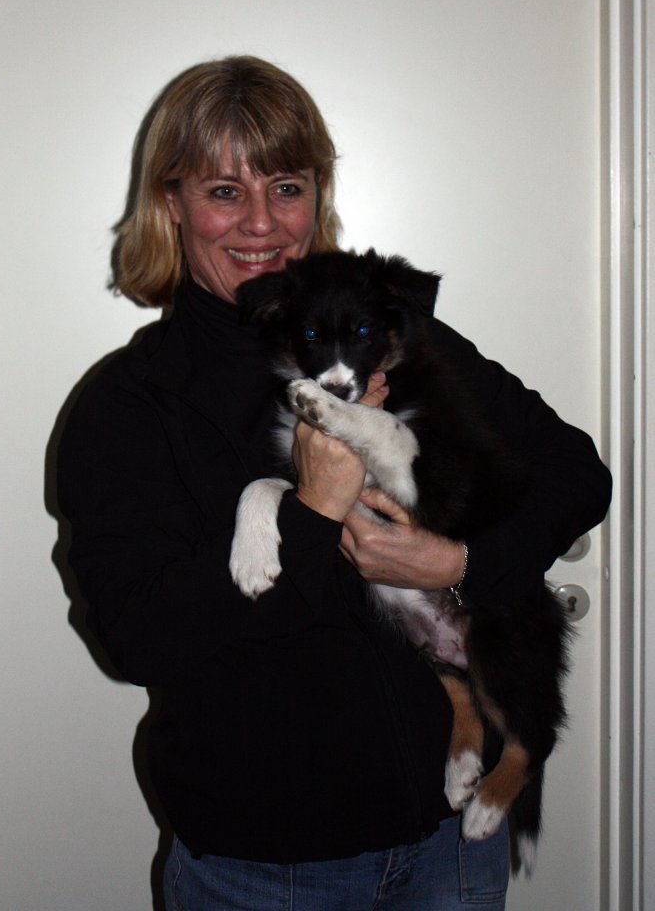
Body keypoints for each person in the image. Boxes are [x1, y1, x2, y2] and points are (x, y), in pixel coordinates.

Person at [56, 56, 612, 911]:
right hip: (261, 866)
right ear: (170, 203)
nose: (260, 223)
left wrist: (463, 564)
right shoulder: (130, 404)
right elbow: (137, 643)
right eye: (223, 191)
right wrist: (312, 511)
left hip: (449, 851)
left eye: (286, 187)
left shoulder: (399, 339)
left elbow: (576, 472)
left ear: (318, 194)